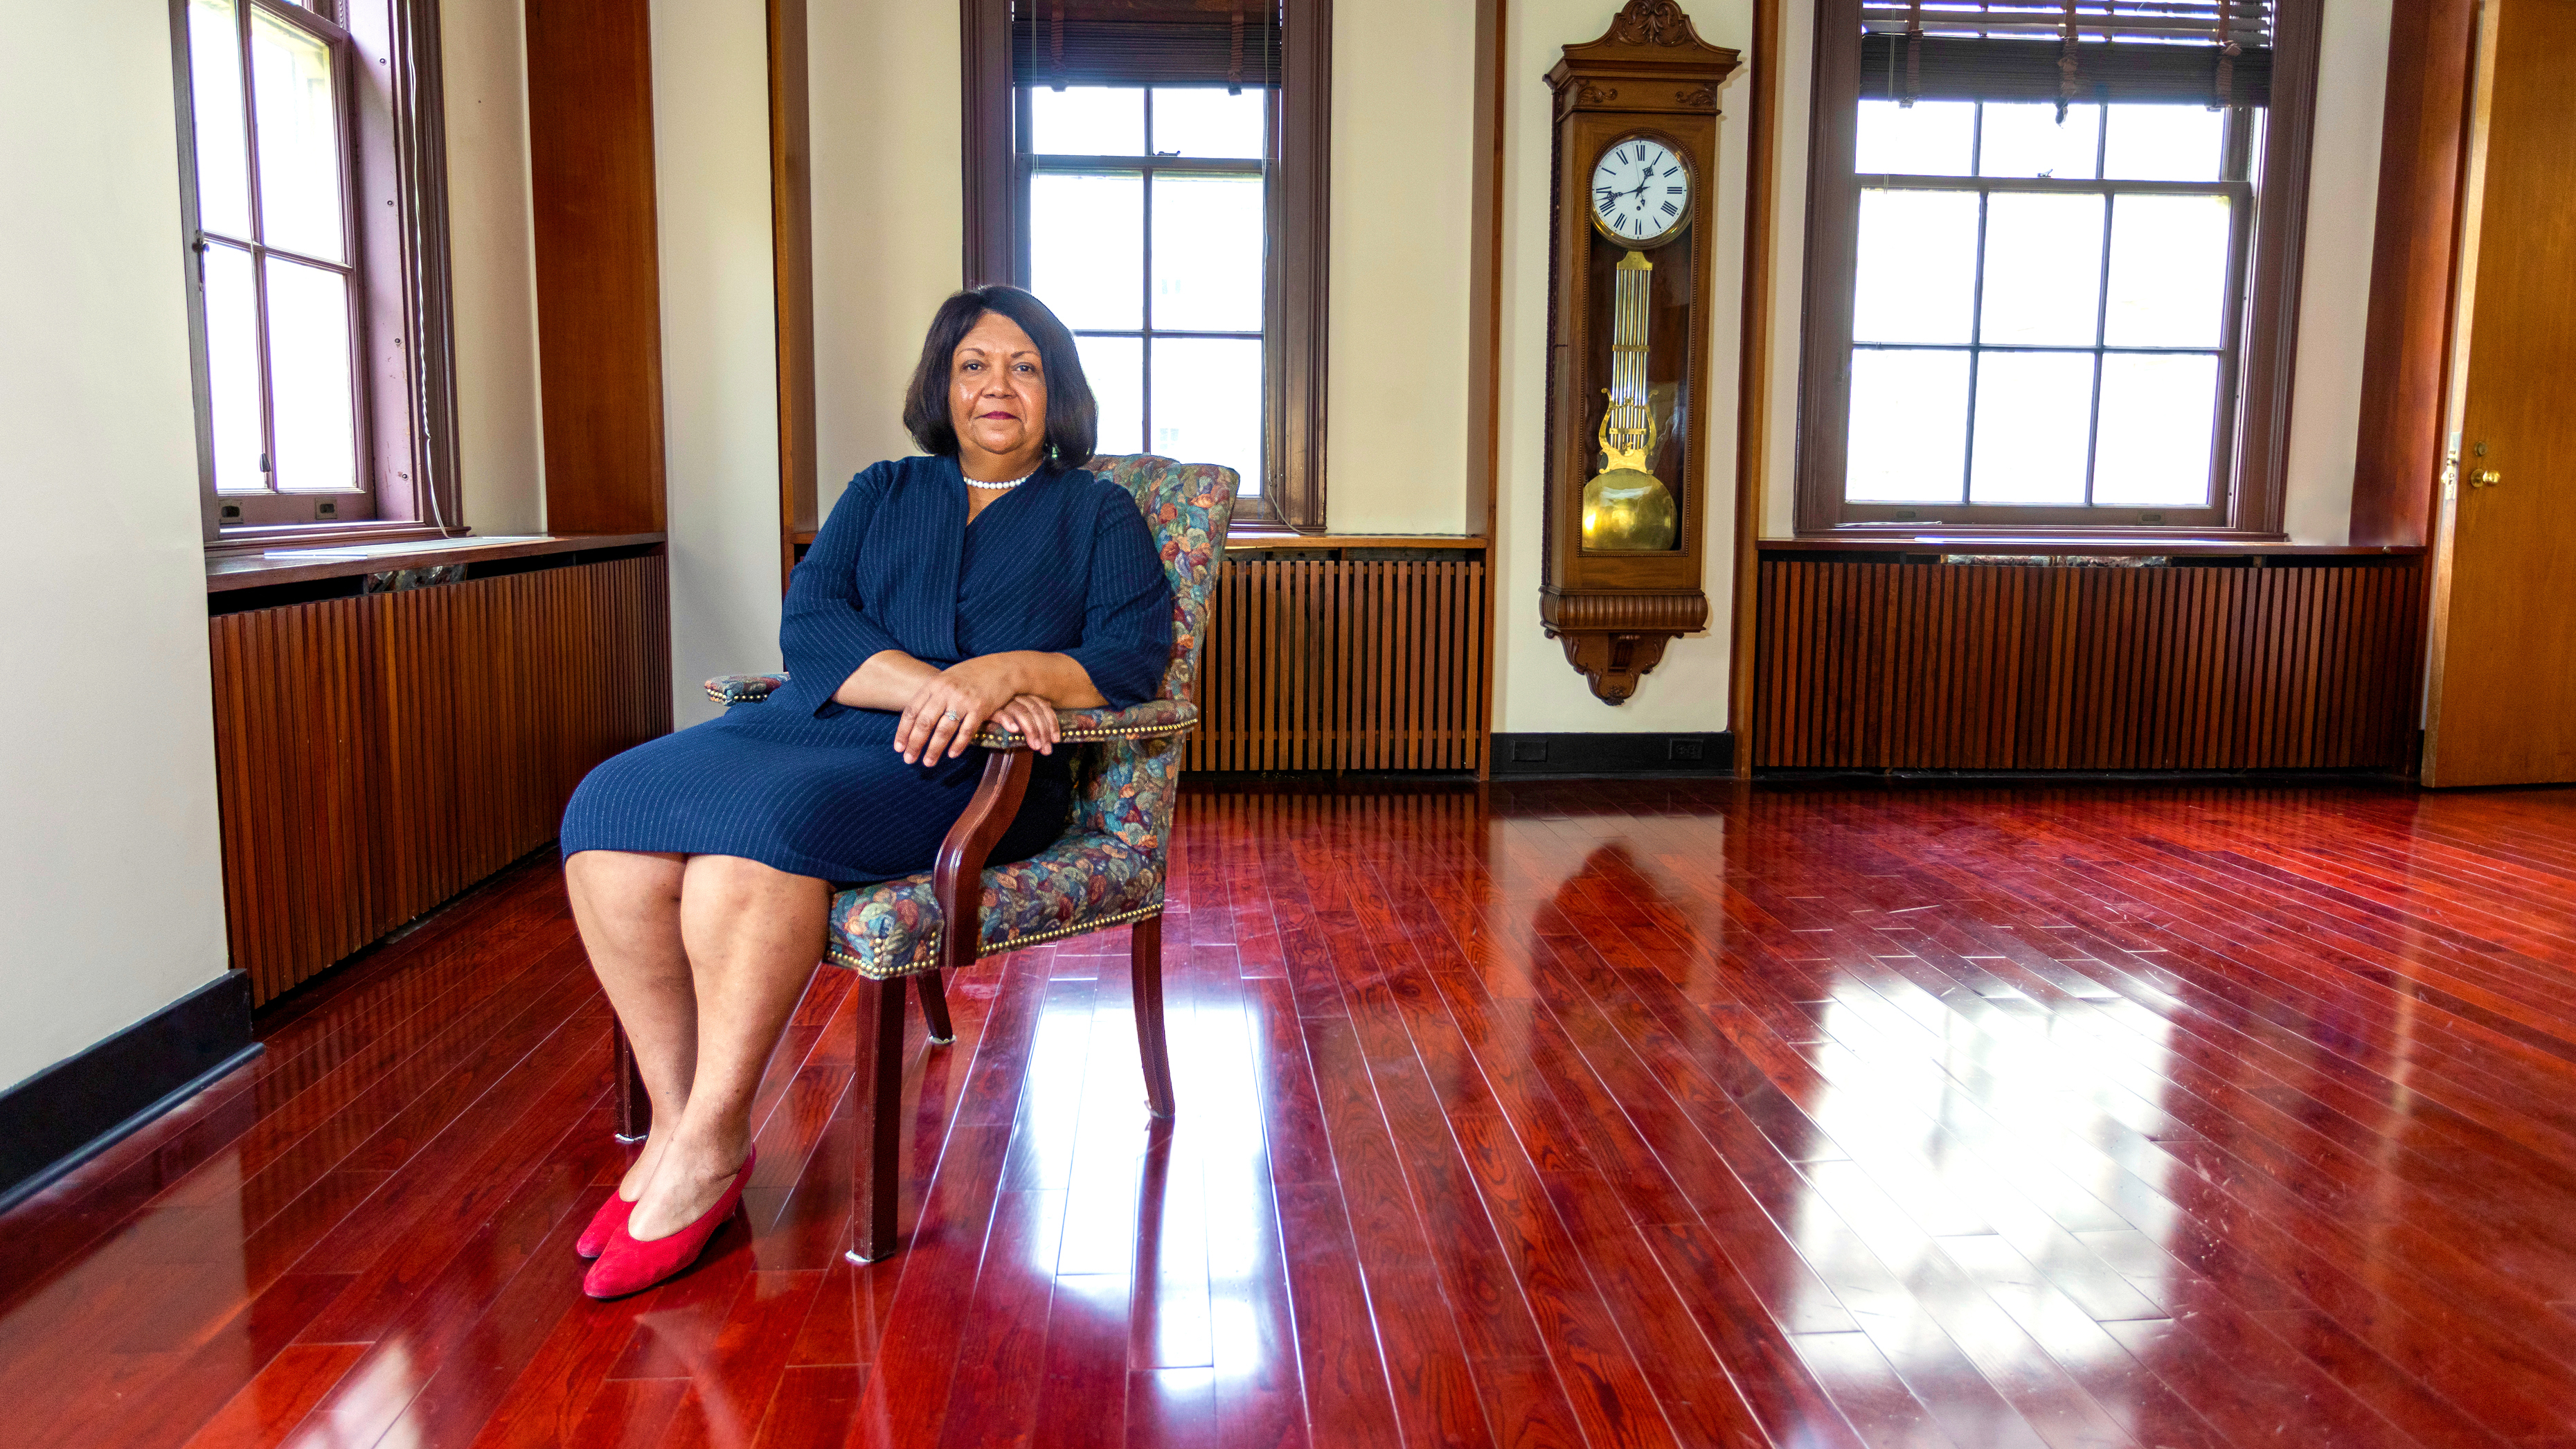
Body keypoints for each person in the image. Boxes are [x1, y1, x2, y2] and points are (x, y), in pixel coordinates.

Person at [555, 286, 1174, 1299]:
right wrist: (949, 685)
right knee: (610, 811)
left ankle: (712, 1145)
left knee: (756, 842)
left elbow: (1129, 654)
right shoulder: (881, 490)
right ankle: (678, 1120)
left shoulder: (1094, 512)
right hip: (817, 724)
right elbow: (814, 628)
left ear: (1056, 390)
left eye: (1024, 366)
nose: (997, 386)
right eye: (974, 365)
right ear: (942, 385)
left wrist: (1006, 674)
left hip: (977, 771)